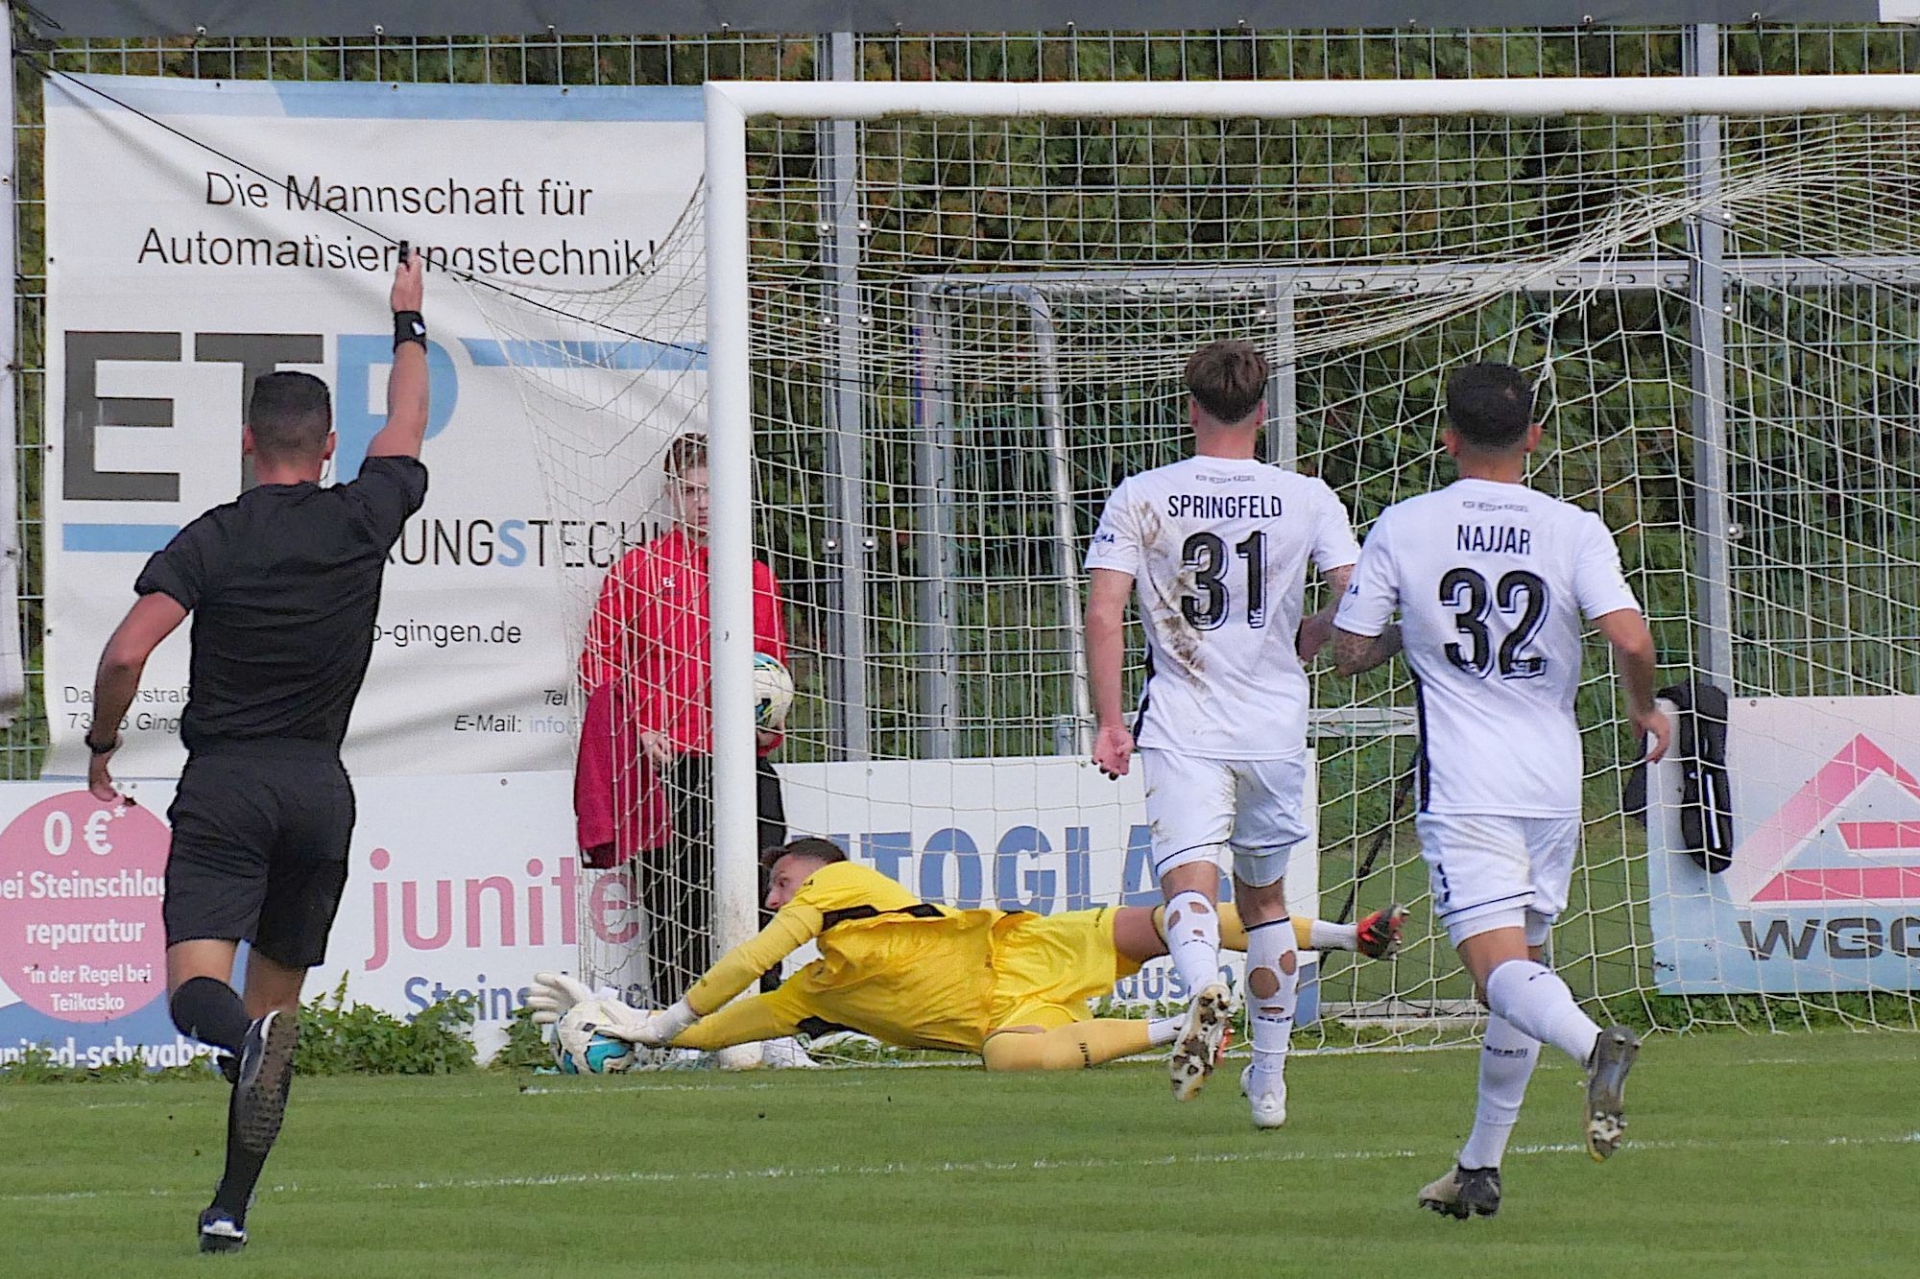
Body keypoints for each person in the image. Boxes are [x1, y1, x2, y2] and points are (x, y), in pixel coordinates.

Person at [84, 253, 432, 1254]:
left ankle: (243, 1042)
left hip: (229, 784)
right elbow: (408, 419)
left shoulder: (216, 537)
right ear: (329, 446)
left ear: (247, 443)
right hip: (321, 789)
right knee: (275, 1014)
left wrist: (103, 745)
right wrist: (407, 321)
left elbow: (126, 651)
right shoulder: (363, 514)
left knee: (202, 993)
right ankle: (230, 1205)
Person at [1331, 361, 1671, 1220]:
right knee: (1522, 972)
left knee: (1497, 976)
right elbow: (1633, 640)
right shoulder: (1573, 527)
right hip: (1552, 784)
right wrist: (1642, 709)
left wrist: (1408, 631)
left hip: (1468, 786)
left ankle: (1594, 1046)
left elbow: (1349, 652)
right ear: (1534, 437)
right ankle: (1478, 1166)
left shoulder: (1408, 523)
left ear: (1446, 436)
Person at [1083, 339, 1361, 1127]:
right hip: (1274, 726)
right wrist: (1316, 630)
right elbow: (1359, 589)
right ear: (1263, 411)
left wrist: (1111, 722)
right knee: (1266, 901)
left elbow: (1104, 611)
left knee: (1189, 884)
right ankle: (1269, 1082)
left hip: (1184, 721)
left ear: (1191, 408)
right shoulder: (1305, 495)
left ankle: (1205, 982)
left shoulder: (1143, 493)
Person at [529, 837, 1407, 1070]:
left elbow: (749, 956)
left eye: (783, 878)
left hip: (1027, 942)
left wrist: (662, 1017)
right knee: (1005, 1059)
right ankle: (1182, 1027)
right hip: (1006, 1016)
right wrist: (637, 1030)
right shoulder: (814, 994)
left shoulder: (841, 885)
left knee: (1176, 916)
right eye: (775, 885)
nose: (777, 894)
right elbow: (730, 1021)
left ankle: (1342, 934)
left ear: (818, 873)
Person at [577, 433, 798, 1058]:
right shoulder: (639, 571)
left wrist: (767, 726)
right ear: (672, 495)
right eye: (692, 491)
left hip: (743, 762)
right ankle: (682, 1036)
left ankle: (771, 1030)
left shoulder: (755, 576)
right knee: (675, 902)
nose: (703, 503)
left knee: (769, 896)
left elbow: (772, 670)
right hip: (667, 764)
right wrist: (638, 729)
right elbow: (599, 666)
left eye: (712, 491)